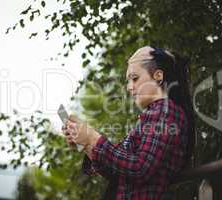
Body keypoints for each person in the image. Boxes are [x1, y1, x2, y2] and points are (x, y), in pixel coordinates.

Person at [62, 46, 195, 200]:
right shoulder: (153, 115)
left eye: (135, 78)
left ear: (158, 75)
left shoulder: (166, 112)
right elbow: (117, 173)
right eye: (128, 80)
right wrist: (87, 144)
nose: (129, 87)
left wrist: (93, 138)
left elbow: (140, 169)